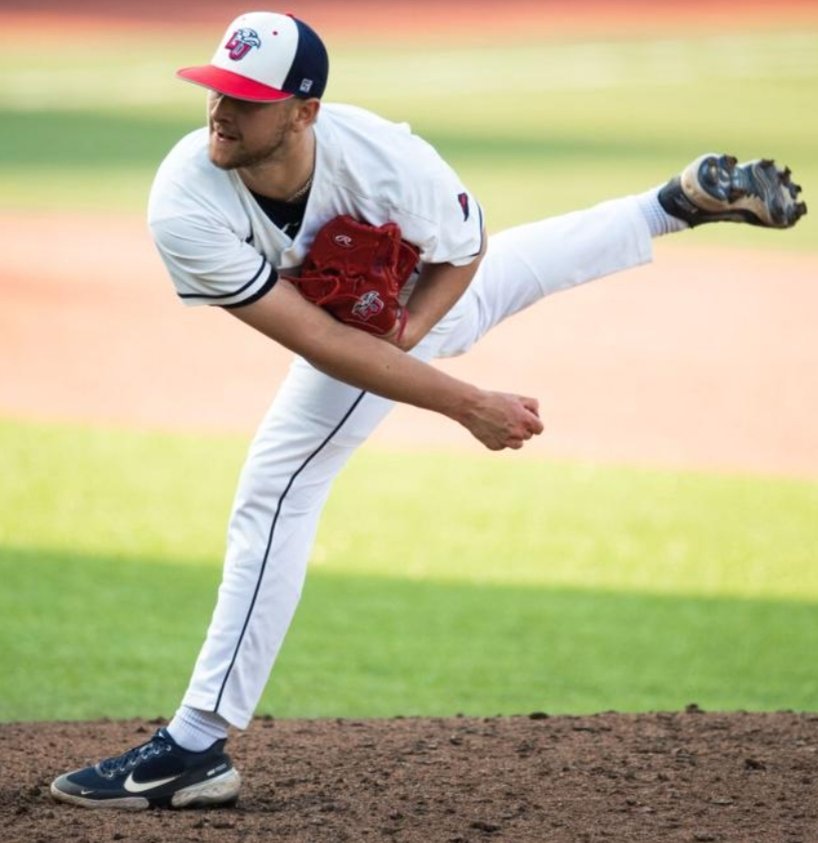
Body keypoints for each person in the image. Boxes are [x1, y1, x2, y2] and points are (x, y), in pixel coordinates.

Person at [50, 11, 806, 810]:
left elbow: (470, 246)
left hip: (416, 292)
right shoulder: (185, 200)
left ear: (305, 110)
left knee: (278, 489)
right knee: (486, 294)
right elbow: (322, 341)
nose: (221, 112)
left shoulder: (385, 160)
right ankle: (665, 207)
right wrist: (457, 392)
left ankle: (195, 746)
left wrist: (416, 339)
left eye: (248, 98)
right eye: (217, 90)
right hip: (344, 331)